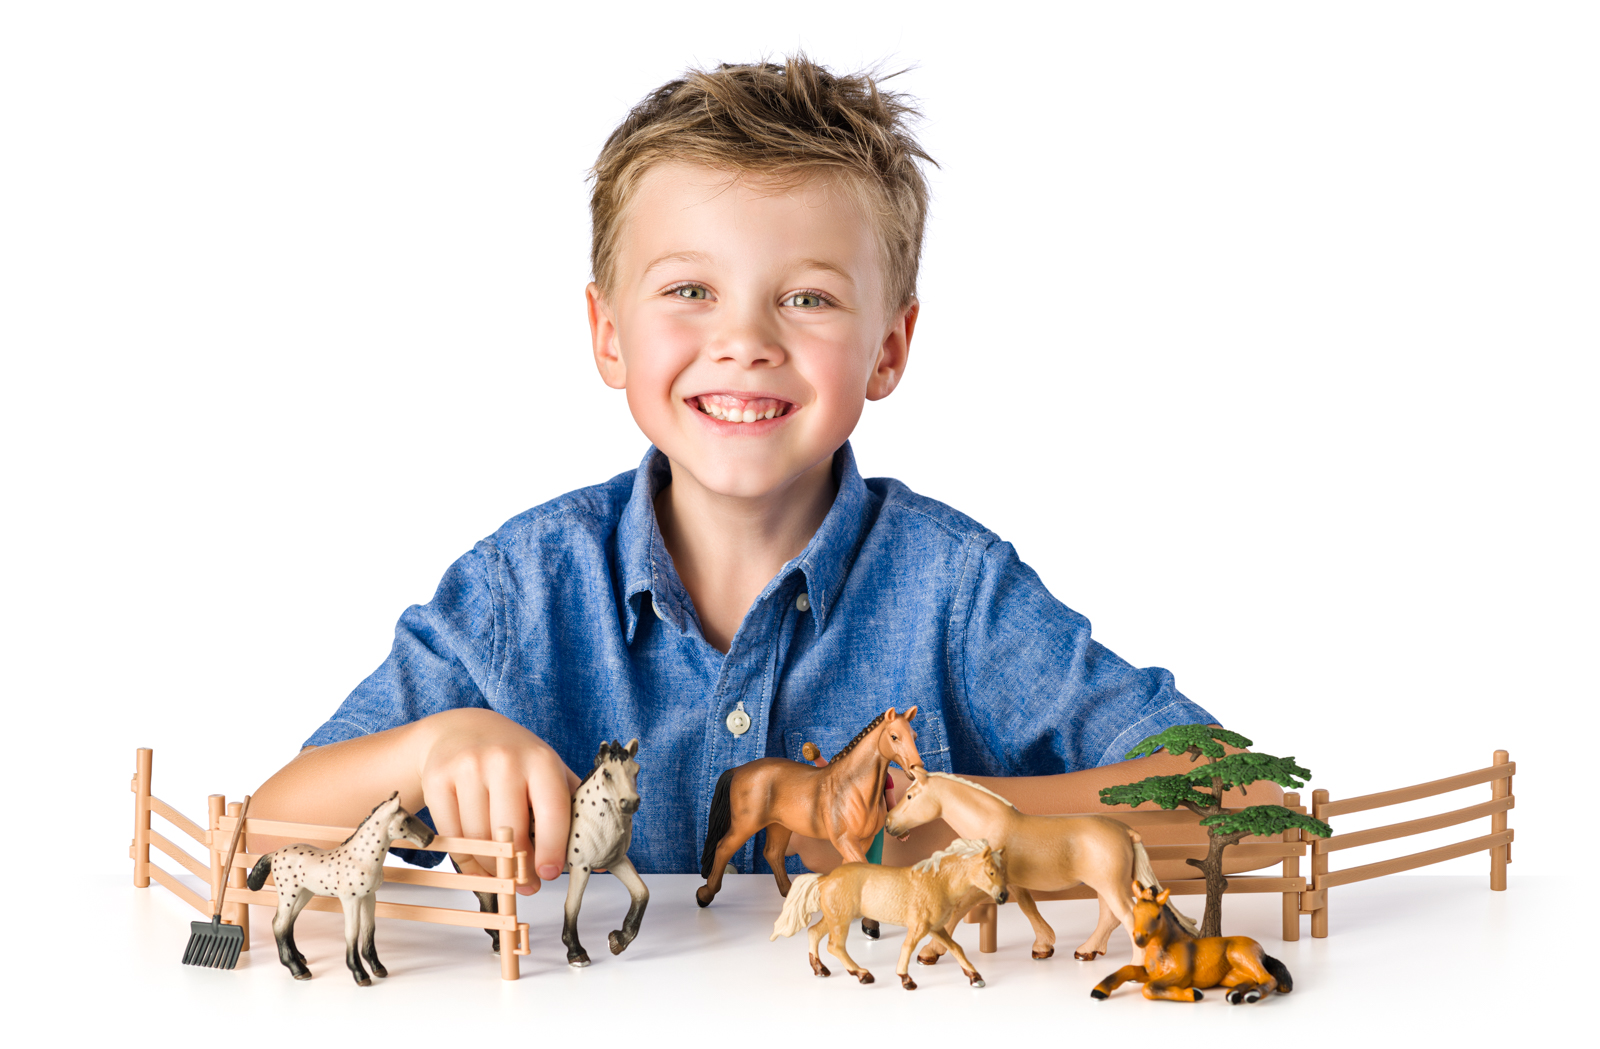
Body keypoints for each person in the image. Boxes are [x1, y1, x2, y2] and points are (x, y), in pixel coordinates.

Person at [253, 56, 1253, 895]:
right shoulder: (520, 591)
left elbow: (1246, 804)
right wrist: (427, 748)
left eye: (808, 298)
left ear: (889, 348)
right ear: (608, 333)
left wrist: (946, 819)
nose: (744, 341)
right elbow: (258, 845)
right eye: (690, 288)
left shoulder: (958, 593)